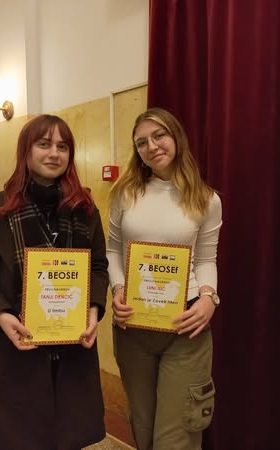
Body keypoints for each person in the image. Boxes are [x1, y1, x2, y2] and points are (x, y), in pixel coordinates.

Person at [0, 114, 109, 450]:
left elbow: (98, 266)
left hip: (73, 349)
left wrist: (94, 309)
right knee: (21, 438)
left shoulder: (84, 210)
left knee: (69, 435)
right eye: (44, 144)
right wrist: (0, 315)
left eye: (62, 146)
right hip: (17, 349)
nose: (54, 153)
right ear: (26, 151)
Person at [107, 107, 223, 450]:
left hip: (186, 326)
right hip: (134, 326)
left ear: (176, 137)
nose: (152, 146)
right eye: (141, 142)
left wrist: (209, 298)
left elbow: (206, 259)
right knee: (143, 428)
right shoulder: (125, 193)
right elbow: (113, 250)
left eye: (159, 136)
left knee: (177, 437)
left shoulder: (207, 199)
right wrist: (118, 288)